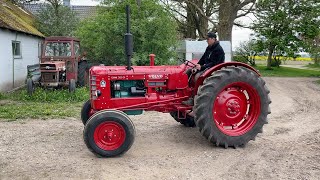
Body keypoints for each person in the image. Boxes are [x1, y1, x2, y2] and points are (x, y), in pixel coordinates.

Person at [183, 32, 225, 106]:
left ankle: (193, 98)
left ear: (213, 39)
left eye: (208, 39)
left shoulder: (219, 50)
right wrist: (197, 65)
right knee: (189, 71)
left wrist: (202, 67)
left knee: (197, 76)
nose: (206, 41)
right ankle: (185, 94)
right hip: (207, 67)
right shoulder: (209, 47)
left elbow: (214, 63)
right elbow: (203, 58)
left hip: (215, 68)